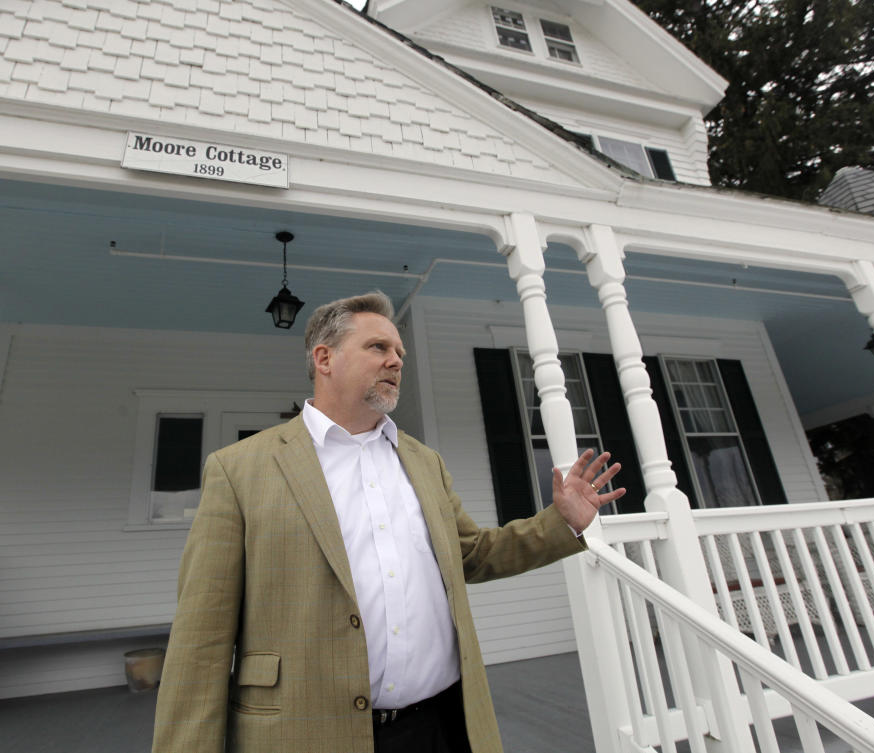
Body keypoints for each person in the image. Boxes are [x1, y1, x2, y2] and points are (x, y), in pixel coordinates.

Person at [152, 291, 625, 753]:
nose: (397, 360)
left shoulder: (424, 462)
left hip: (442, 726)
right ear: (324, 358)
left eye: (399, 351)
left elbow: (472, 556)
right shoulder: (239, 469)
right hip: (306, 733)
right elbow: (201, 639)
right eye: (378, 347)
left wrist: (561, 523)